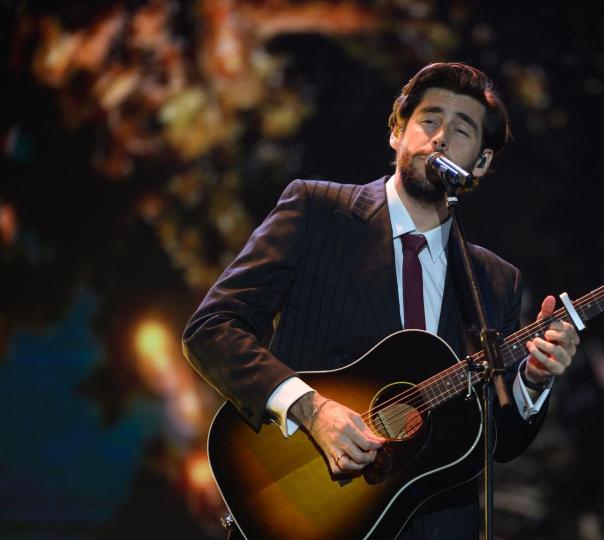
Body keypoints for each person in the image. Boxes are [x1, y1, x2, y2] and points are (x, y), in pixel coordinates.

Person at [182, 62, 580, 539]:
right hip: (309, 510)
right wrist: (311, 409)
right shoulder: (317, 211)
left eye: (461, 130)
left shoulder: (495, 281)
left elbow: (500, 441)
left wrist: (533, 380)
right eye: (429, 120)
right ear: (397, 133)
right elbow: (212, 329)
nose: (440, 138)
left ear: (480, 163)